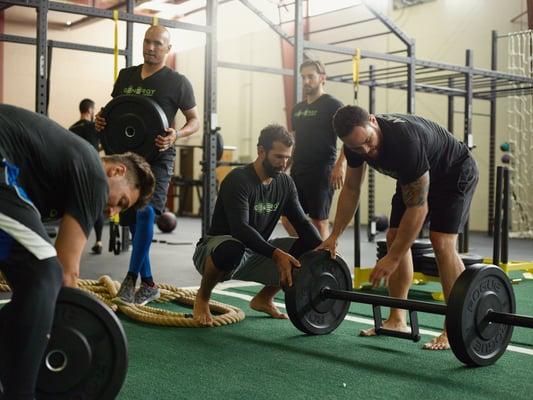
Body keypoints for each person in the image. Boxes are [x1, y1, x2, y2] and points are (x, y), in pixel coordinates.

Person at [0, 104, 155, 400]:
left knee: (32, 276)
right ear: (117, 170)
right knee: (45, 272)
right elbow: (65, 272)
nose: (112, 212)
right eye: (121, 202)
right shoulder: (94, 174)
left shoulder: (53, 178)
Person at [319, 105, 479, 350]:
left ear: (372, 121)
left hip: (453, 172)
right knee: (394, 236)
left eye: (368, 142)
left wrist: (392, 259)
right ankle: (397, 319)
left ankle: (455, 327)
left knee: (441, 241)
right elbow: (351, 189)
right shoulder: (355, 144)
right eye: (356, 147)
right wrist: (334, 236)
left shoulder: (406, 141)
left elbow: (419, 208)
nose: (365, 151)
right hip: (414, 177)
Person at [96, 25, 200, 306]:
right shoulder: (126, 75)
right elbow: (117, 110)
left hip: (158, 157)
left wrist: (177, 134)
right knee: (130, 218)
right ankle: (150, 284)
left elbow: (194, 120)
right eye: (147, 41)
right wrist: (102, 120)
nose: (150, 47)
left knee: (145, 213)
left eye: (157, 43)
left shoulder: (177, 82)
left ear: (168, 48)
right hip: (127, 158)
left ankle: (131, 279)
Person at [192, 124, 322, 326]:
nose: (284, 163)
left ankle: (264, 299)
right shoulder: (238, 180)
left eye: (288, 158)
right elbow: (240, 229)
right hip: (217, 250)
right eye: (278, 157)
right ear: (261, 151)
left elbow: (302, 224)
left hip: (255, 251)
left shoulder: (285, 184)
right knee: (233, 248)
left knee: (307, 247)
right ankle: (203, 297)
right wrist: (277, 254)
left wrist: (321, 248)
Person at [282, 59, 345, 240]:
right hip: (299, 169)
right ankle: (309, 250)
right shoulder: (297, 109)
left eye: (311, 76)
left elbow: (348, 140)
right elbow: (295, 141)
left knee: (319, 222)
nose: (306, 81)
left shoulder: (333, 105)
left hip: (321, 170)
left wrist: (340, 165)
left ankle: (324, 264)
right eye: (303, 77)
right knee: (287, 218)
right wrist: (284, 166)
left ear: (322, 78)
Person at [69, 98, 104, 254]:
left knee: (75, 206)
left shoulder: (71, 129)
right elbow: (102, 144)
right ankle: (99, 241)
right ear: (90, 110)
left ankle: (75, 243)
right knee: (97, 205)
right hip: (93, 170)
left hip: (75, 171)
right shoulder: (93, 127)